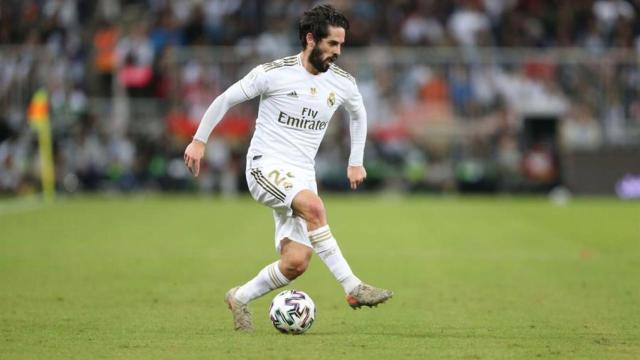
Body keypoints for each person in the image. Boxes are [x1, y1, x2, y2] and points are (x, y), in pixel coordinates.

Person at [183, 4, 393, 331]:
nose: (338, 52)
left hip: (301, 174)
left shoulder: (342, 83)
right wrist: (199, 141)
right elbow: (226, 98)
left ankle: (239, 296)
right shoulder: (273, 73)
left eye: (341, 44)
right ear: (311, 39)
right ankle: (354, 288)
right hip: (264, 167)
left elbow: (359, 113)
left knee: (295, 263)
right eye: (332, 44)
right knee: (315, 207)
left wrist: (356, 161)